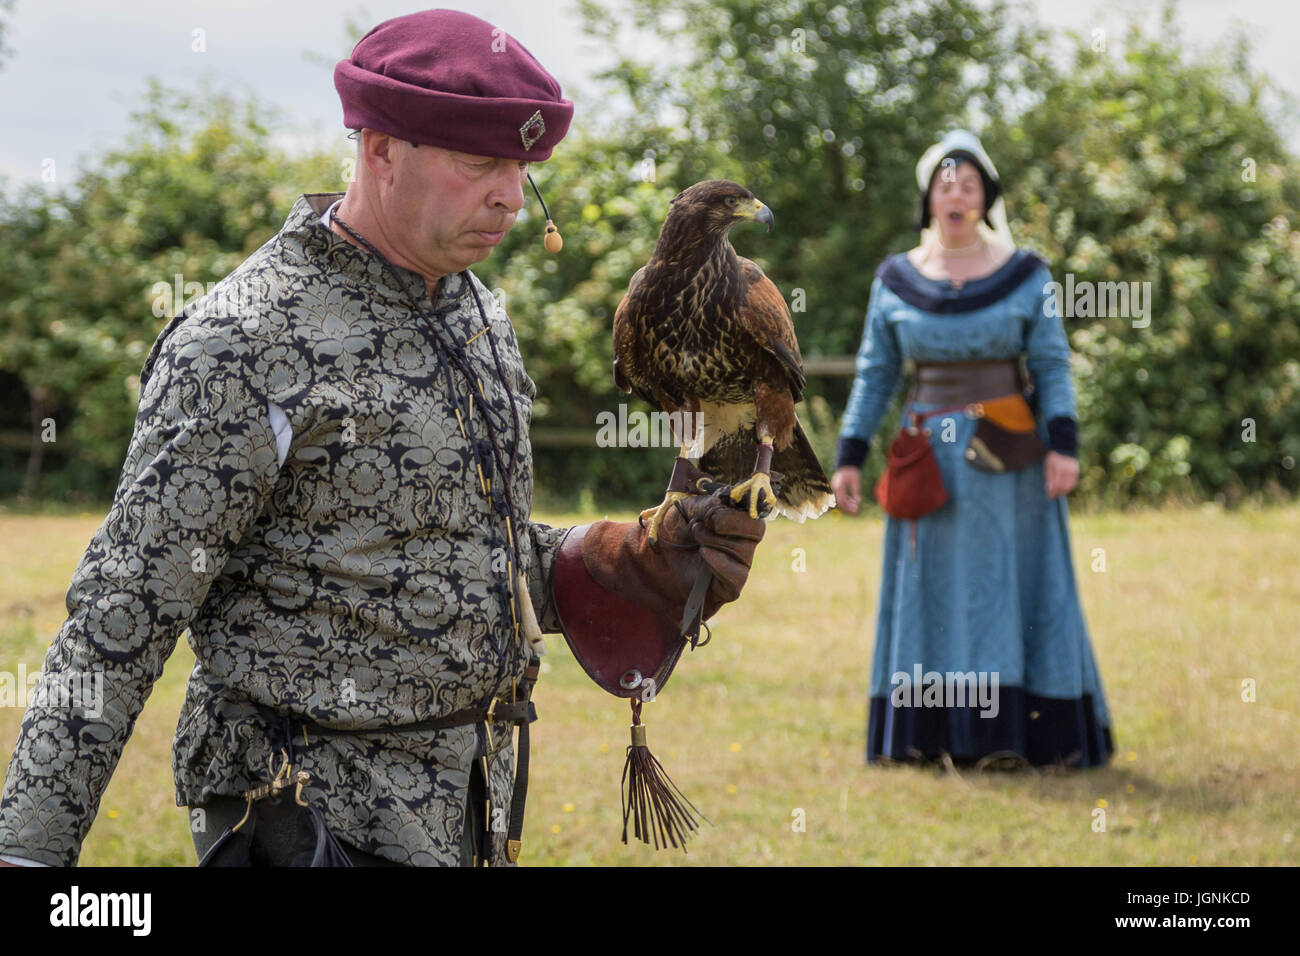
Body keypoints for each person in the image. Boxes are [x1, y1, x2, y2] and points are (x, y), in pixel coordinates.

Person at [0, 9, 764, 868]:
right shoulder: (246, 341)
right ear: (380, 149)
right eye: (480, 164)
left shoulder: (476, 310)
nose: (511, 197)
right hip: (302, 818)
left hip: (468, 810)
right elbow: (120, 612)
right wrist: (30, 855)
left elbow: (457, 554)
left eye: (521, 168)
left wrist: (621, 558)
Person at [831, 130, 1113, 769]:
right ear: (928, 197)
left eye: (969, 184)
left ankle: (1017, 738)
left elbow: (1051, 364)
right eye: (944, 183)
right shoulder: (896, 280)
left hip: (1010, 454)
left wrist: (1064, 446)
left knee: (1008, 584)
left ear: (986, 197)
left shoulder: (1026, 274)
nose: (956, 194)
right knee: (931, 588)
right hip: (926, 458)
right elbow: (876, 373)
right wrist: (848, 455)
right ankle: (930, 739)